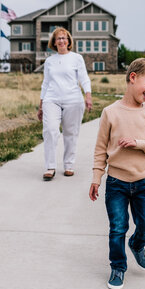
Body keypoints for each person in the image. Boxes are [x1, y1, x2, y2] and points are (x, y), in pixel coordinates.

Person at [89, 58, 145, 289]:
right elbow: (100, 149)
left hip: (143, 182)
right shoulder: (110, 113)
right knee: (118, 228)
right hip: (117, 183)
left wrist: (139, 143)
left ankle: (137, 243)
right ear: (133, 78)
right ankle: (118, 267)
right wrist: (96, 178)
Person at [37, 27, 93, 181]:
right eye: (58, 38)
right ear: (54, 43)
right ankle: (50, 167)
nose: (61, 41)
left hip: (73, 100)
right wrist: (41, 105)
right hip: (52, 99)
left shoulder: (76, 58)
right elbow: (46, 83)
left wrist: (88, 96)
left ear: (68, 41)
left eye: (64, 38)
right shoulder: (49, 61)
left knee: (70, 133)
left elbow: (84, 78)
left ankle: (69, 165)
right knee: (50, 130)